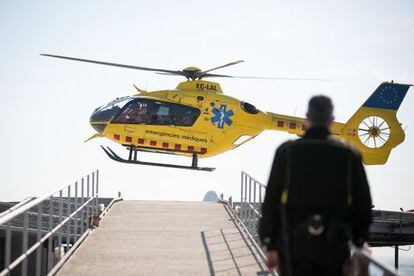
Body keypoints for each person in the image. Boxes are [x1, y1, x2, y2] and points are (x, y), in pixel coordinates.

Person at [259, 95, 372, 276]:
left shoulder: (286, 152)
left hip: (293, 247)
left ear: (306, 118)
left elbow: (271, 201)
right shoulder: (350, 154)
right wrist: (359, 243)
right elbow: (363, 205)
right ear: (332, 120)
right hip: (335, 248)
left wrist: (270, 243)